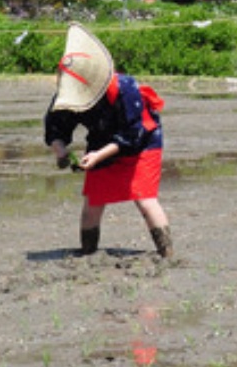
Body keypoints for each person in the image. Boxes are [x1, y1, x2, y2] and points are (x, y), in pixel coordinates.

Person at [45, 24, 174, 258]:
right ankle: (87, 253)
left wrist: (98, 156)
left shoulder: (125, 88)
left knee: (145, 200)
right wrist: (61, 150)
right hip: (101, 139)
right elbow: (55, 126)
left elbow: (132, 134)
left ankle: (167, 253)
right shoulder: (68, 96)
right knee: (92, 204)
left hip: (142, 142)